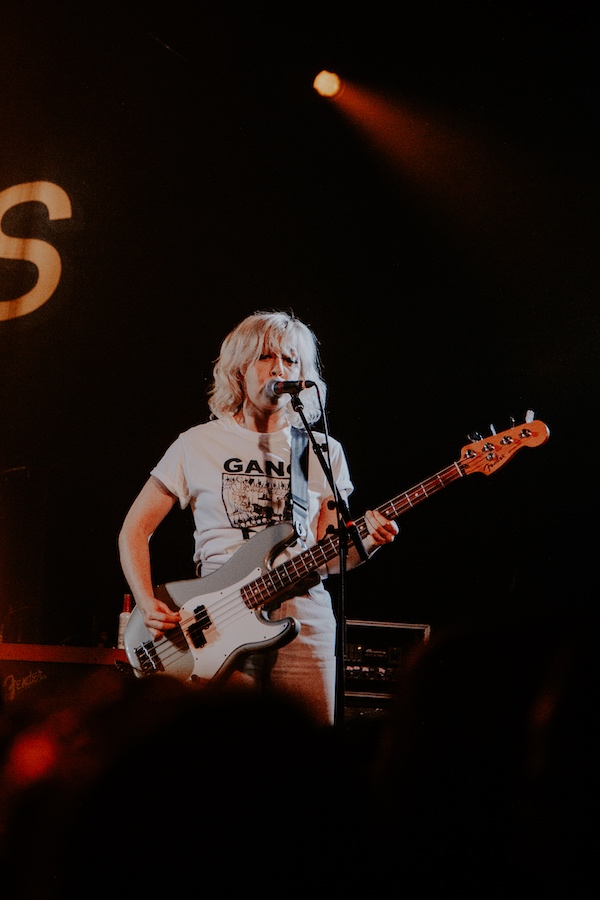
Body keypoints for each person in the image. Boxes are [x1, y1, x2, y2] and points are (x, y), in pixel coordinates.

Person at [118, 310, 398, 726]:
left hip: (306, 619)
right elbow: (134, 529)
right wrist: (146, 600)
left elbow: (330, 556)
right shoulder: (198, 443)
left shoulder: (322, 450)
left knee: (308, 757)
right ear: (239, 368)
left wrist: (369, 543)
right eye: (267, 357)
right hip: (215, 617)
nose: (280, 368)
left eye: (291, 360)